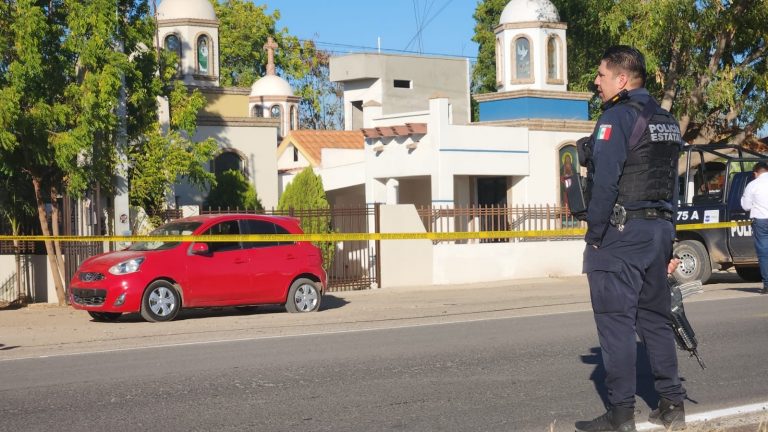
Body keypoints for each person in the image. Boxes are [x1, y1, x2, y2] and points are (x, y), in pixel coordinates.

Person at [575, 46, 686, 432]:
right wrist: (668, 240)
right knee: (655, 320)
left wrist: (594, 235)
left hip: (622, 234)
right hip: (658, 231)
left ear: (622, 79)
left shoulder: (617, 117)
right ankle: (672, 404)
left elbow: (605, 181)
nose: (596, 82)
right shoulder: (666, 120)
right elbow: (672, 184)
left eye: (601, 75)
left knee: (615, 324)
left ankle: (621, 415)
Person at [740, 161, 768, 295]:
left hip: (761, 221)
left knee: (764, 254)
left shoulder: (752, 185)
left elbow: (746, 206)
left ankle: (767, 285)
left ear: (756, 173)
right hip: (761, 221)